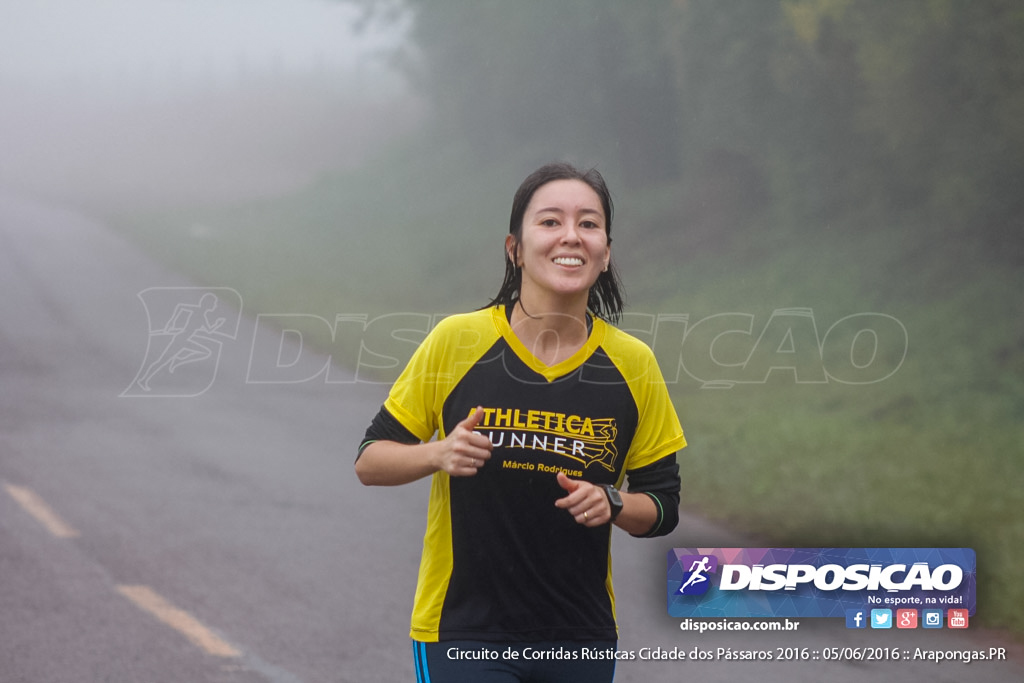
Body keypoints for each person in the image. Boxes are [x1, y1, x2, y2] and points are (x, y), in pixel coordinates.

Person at [355, 162, 685, 682]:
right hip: (463, 630)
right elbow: (370, 461)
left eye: (589, 223)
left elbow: (662, 506)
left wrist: (612, 501)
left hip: (579, 637)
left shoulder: (633, 364)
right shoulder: (456, 341)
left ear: (605, 252)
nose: (570, 235)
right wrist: (437, 453)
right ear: (515, 248)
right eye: (550, 221)